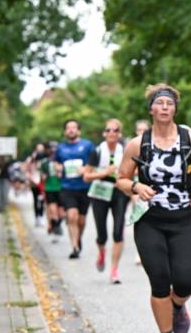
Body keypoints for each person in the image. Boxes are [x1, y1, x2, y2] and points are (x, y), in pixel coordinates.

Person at [116, 83, 191, 333]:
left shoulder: (189, 139)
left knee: (185, 281)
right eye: (159, 103)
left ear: (174, 108)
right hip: (150, 220)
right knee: (159, 280)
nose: (164, 108)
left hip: (182, 219)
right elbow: (121, 179)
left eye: (169, 104)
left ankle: (178, 305)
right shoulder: (138, 144)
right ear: (151, 109)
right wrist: (136, 187)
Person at [85, 119, 129, 284]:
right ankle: (102, 251)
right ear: (104, 133)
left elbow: (135, 170)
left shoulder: (125, 151)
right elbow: (87, 176)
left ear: (119, 134)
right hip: (100, 192)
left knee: (118, 232)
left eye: (115, 130)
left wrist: (124, 176)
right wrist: (105, 172)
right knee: (101, 233)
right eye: (108, 130)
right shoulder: (97, 151)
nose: (112, 133)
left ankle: (114, 270)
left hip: (119, 192)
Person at [54, 119, 96, 259]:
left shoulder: (88, 145)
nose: (71, 130)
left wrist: (85, 169)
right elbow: (56, 163)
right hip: (67, 187)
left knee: (81, 220)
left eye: (74, 128)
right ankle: (74, 247)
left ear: (79, 130)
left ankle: (78, 238)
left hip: (84, 187)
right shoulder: (60, 148)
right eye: (68, 128)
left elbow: (95, 162)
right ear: (65, 131)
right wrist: (58, 168)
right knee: (72, 216)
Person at [40, 142, 64, 239]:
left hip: (61, 188)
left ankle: (55, 224)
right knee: (52, 209)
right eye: (51, 149)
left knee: (62, 213)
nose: (53, 151)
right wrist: (45, 175)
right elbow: (42, 176)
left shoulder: (62, 161)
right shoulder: (45, 162)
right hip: (50, 188)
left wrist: (60, 173)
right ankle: (55, 228)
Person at [24, 143, 46, 226]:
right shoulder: (31, 160)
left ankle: (41, 216)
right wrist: (30, 178)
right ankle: (37, 217)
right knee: (36, 200)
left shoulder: (45, 159)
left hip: (43, 183)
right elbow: (26, 170)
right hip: (34, 183)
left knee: (42, 200)